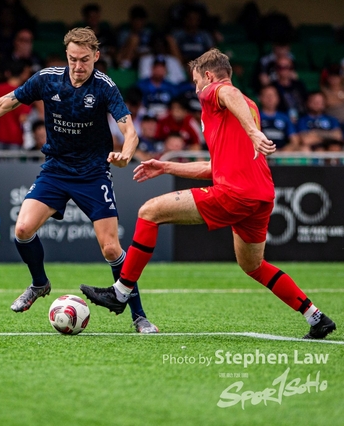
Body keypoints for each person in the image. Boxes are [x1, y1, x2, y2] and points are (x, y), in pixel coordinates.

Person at [81, 48, 336, 340]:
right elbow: (215, 166)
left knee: (149, 212)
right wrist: (166, 166)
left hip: (235, 193)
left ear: (208, 76)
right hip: (261, 195)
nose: (195, 88)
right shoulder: (248, 107)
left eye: (196, 81)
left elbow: (228, 92)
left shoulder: (217, 92)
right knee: (253, 265)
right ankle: (316, 317)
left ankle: (121, 292)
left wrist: (253, 132)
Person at [0, 28, 158, 332]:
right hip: (56, 169)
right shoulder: (47, 79)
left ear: (96, 56)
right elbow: (2, 104)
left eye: (85, 60)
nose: (78, 66)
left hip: (92, 173)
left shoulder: (104, 87)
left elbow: (130, 131)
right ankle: (39, 283)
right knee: (22, 230)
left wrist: (125, 154)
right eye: (73, 59)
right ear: (66, 56)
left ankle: (139, 316)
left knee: (111, 249)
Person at [258, 84, 300, 151]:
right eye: (267, 95)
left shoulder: (285, 118)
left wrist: (283, 151)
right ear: (260, 98)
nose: (270, 99)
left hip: (282, 154)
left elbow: (295, 141)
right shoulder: (256, 116)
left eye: (272, 95)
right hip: (261, 152)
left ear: (278, 98)